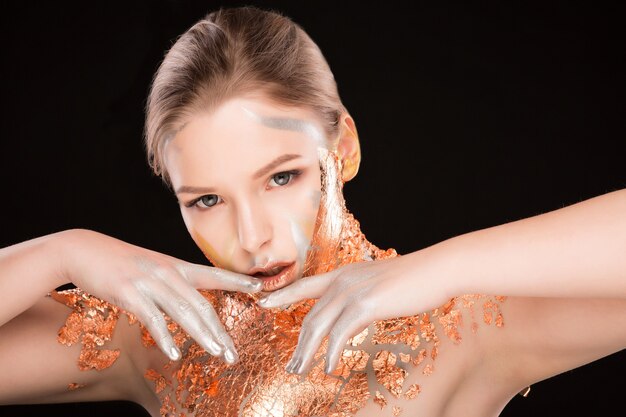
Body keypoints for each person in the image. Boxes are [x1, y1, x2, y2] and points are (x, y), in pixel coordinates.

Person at [1, 6, 624, 417]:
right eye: (208, 201)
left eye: (282, 177)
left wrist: (445, 268)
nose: (252, 236)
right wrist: (67, 250)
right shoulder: (161, 337)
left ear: (344, 147)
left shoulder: (466, 322)